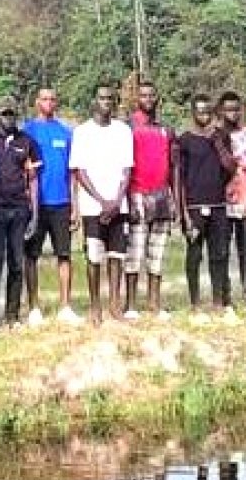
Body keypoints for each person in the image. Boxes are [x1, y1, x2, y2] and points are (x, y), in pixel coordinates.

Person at [69, 83, 133, 325]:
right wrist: (101, 200)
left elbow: (127, 169)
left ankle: (115, 305)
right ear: (94, 101)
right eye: (102, 98)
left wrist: (116, 200)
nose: (106, 102)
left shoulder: (123, 131)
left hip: (119, 204)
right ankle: (95, 306)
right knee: (94, 257)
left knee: (116, 256)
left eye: (110, 98)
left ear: (115, 102)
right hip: (92, 206)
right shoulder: (82, 132)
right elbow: (79, 171)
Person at [0, 96, 41, 334]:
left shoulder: (27, 142)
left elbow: (33, 181)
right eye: (4, 113)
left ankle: (13, 315)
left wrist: (34, 213)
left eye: (11, 113)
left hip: (19, 209)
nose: (8, 117)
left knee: (17, 264)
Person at [22, 88, 81, 327]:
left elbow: (73, 172)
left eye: (52, 99)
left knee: (64, 255)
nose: (49, 102)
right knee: (31, 255)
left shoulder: (65, 133)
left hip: (61, 203)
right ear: (37, 103)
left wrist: (75, 206)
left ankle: (65, 306)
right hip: (35, 205)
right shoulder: (27, 131)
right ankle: (34, 306)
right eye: (44, 99)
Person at [177, 94, 237, 324]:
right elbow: (179, 178)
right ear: (193, 113)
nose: (205, 116)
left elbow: (232, 167)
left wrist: (218, 143)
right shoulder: (185, 140)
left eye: (208, 112)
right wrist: (183, 212)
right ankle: (194, 302)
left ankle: (218, 300)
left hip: (218, 205)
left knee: (219, 254)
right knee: (194, 254)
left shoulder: (221, 136)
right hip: (193, 206)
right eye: (200, 112)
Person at [124, 81, 175, 321]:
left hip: (162, 194)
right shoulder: (128, 127)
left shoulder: (166, 129)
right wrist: (127, 201)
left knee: (157, 252)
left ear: (157, 98)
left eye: (151, 95)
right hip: (137, 194)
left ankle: (154, 302)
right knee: (134, 253)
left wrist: (173, 197)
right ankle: (131, 304)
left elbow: (173, 166)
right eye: (143, 95)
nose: (148, 99)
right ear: (137, 99)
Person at [217, 92, 246, 306]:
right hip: (222, 202)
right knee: (222, 250)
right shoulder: (215, 136)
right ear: (221, 111)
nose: (233, 113)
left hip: (245, 200)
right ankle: (224, 295)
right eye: (228, 109)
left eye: (236, 109)